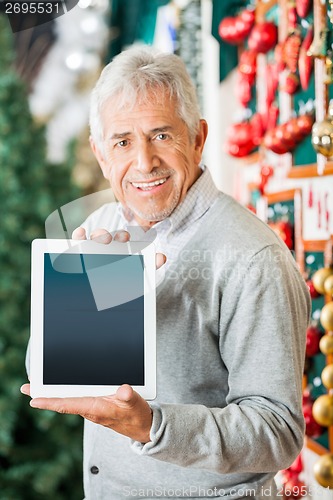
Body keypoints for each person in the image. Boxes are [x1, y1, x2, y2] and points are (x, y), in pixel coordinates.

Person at [22, 46, 310, 499]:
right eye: (122, 142)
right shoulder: (100, 228)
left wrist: (154, 426)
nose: (143, 162)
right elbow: (46, 373)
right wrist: (76, 309)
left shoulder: (255, 259)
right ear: (100, 153)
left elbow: (278, 432)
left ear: (197, 137)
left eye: (161, 135)